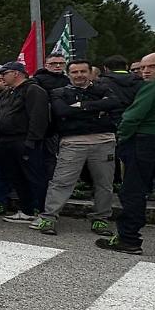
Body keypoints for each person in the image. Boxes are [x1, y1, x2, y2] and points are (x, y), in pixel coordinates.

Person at [97, 52, 155, 256]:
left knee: (134, 190)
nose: (145, 71)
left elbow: (133, 116)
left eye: (151, 67)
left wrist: (123, 138)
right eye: (143, 67)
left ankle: (129, 238)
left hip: (146, 140)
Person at [31, 60, 120, 236]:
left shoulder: (103, 89)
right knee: (62, 182)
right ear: (68, 74)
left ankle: (101, 219)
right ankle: (49, 217)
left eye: (83, 71)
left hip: (104, 142)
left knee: (104, 184)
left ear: (90, 73)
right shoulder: (59, 92)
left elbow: (114, 103)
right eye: (74, 72)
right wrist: (97, 110)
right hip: (72, 143)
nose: (79, 75)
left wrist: (81, 107)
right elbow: (62, 112)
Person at [0, 61, 50, 224]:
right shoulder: (8, 93)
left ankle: (40, 211)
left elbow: (38, 118)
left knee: (34, 177)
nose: (2, 77)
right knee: (16, 177)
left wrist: (31, 142)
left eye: (5, 73)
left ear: (16, 73)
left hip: (24, 141)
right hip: (7, 142)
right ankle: (26, 210)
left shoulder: (33, 90)